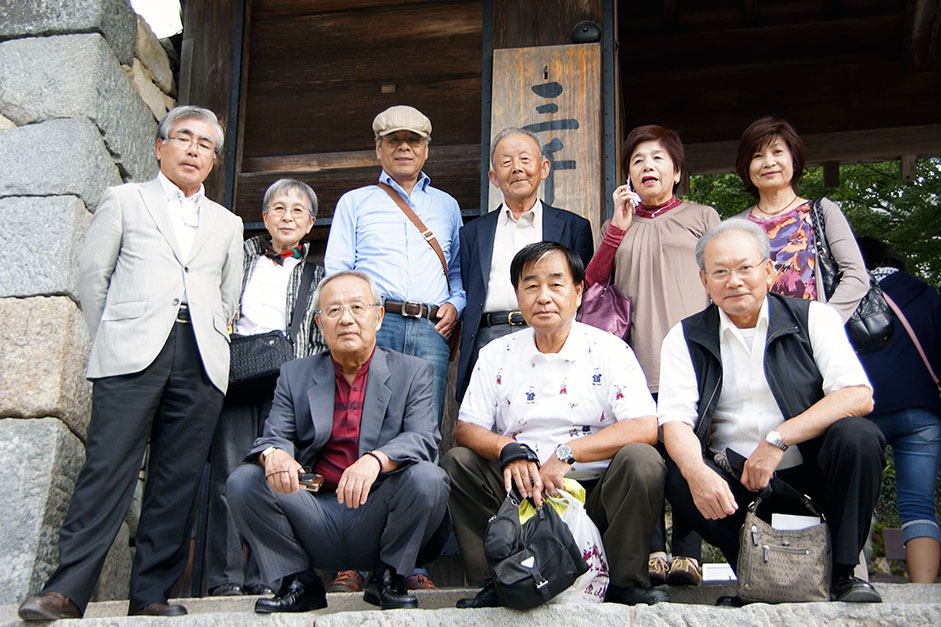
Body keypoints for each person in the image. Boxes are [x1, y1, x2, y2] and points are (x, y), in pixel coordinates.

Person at [18, 106, 244, 620]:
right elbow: (92, 276)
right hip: (131, 352)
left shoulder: (228, 223)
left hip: (201, 357)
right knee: (107, 469)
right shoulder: (125, 199)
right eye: (183, 138)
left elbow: (227, 296)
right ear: (160, 146)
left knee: (177, 479)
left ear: (214, 160)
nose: (193, 149)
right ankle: (66, 591)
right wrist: (113, 337)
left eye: (205, 144)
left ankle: (150, 595)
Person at [658, 219, 886, 604]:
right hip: (738, 482)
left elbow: (858, 396)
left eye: (745, 268)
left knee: (859, 437)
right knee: (679, 473)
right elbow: (675, 421)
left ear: (768, 270)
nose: (734, 281)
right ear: (704, 281)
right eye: (720, 272)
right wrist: (697, 472)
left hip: (811, 473)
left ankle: (844, 575)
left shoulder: (814, 318)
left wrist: (778, 439)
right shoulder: (684, 337)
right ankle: (755, 577)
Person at [443, 241, 668, 608]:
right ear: (518, 295)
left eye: (556, 284)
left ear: (578, 292)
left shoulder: (609, 350)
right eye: (531, 286)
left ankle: (625, 581)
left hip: (595, 492)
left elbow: (644, 425)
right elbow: (466, 429)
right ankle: (496, 580)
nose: (543, 297)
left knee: (643, 461)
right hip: (521, 493)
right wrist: (509, 450)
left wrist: (567, 453)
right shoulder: (497, 354)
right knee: (458, 463)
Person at [226, 270, 450, 613]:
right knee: (245, 480)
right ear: (320, 324)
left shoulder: (412, 371)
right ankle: (298, 581)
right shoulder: (295, 374)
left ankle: (388, 576)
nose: (346, 319)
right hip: (314, 513)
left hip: (379, 515)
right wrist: (275, 454)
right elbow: (274, 436)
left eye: (357, 308)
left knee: (429, 478)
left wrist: (375, 460)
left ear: (377, 317)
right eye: (334, 310)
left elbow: (423, 437)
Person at [584, 124, 718, 586]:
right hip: (635, 358)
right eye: (637, 160)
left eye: (658, 158)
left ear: (677, 171)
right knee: (646, 456)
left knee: (690, 453)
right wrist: (617, 227)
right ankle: (653, 551)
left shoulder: (702, 216)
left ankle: (688, 551)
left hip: (692, 356)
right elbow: (592, 283)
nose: (647, 166)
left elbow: (721, 275)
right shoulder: (619, 224)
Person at [206, 179, 326, 597]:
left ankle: (269, 576)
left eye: (298, 211)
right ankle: (224, 578)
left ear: (310, 223)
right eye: (279, 208)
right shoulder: (239, 261)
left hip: (288, 389)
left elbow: (321, 341)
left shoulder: (318, 277)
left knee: (278, 478)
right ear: (264, 217)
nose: (287, 217)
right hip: (237, 379)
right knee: (227, 476)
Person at [325, 104, 464, 429]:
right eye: (393, 140)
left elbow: (458, 270)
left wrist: (456, 304)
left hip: (432, 329)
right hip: (374, 325)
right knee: (365, 428)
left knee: (424, 429)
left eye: (413, 140)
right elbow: (337, 274)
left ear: (426, 149)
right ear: (378, 148)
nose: (404, 147)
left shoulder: (447, 205)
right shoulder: (354, 202)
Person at [456, 127, 593, 402]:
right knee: (489, 419)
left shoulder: (573, 227)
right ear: (494, 177)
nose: (517, 168)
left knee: (552, 413)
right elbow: (470, 289)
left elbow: (585, 292)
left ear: (544, 168)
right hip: (489, 337)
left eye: (525, 159)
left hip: (551, 335)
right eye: (506, 162)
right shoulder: (473, 233)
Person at [857, 236, 941, 584]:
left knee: (856, 500)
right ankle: (923, 589)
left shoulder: (847, 298)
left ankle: (856, 581)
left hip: (864, 411)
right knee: (919, 504)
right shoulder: (926, 294)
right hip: (921, 411)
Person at [734, 116, 868, 322]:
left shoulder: (823, 212)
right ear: (746, 166)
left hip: (813, 333)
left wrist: (823, 323)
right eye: (757, 156)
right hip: (757, 334)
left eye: (777, 152)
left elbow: (856, 275)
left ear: (794, 160)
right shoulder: (736, 227)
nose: (769, 162)